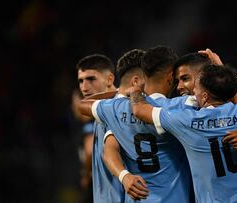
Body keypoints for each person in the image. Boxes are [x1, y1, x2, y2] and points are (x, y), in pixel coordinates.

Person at [129, 64, 237, 202]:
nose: (194, 92)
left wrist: (136, 90)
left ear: (205, 97)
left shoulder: (188, 121)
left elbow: (139, 110)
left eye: (197, 88)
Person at [80, 46, 193, 203]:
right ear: (170, 77)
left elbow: (82, 105)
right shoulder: (178, 107)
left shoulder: (116, 109)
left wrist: (124, 176)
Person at [75, 54, 124, 203]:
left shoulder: (121, 111)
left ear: (110, 79)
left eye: (91, 79)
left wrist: (85, 174)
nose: (84, 87)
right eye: (81, 81)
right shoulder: (100, 111)